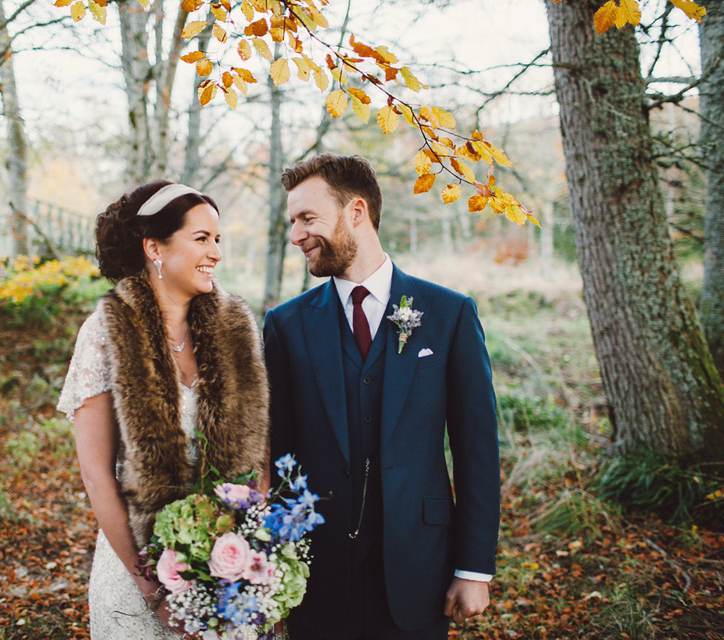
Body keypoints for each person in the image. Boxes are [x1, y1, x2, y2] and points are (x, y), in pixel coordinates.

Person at [263, 154, 500, 639]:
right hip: (316, 572)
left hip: (419, 569)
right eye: (292, 222)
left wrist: (474, 568)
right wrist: (272, 563)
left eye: (307, 218)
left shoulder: (449, 314)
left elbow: (478, 449)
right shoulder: (286, 325)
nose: (295, 235)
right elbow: (277, 454)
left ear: (356, 212)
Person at [57, 181, 270, 639]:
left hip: (230, 572)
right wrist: (154, 587)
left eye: (218, 240)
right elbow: (97, 477)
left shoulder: (236, 330)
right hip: (137, 574)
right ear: (154, 247)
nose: (215, 253)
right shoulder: (103, 334)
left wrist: (251, 555)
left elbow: (260, 455)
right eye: (201, 239)